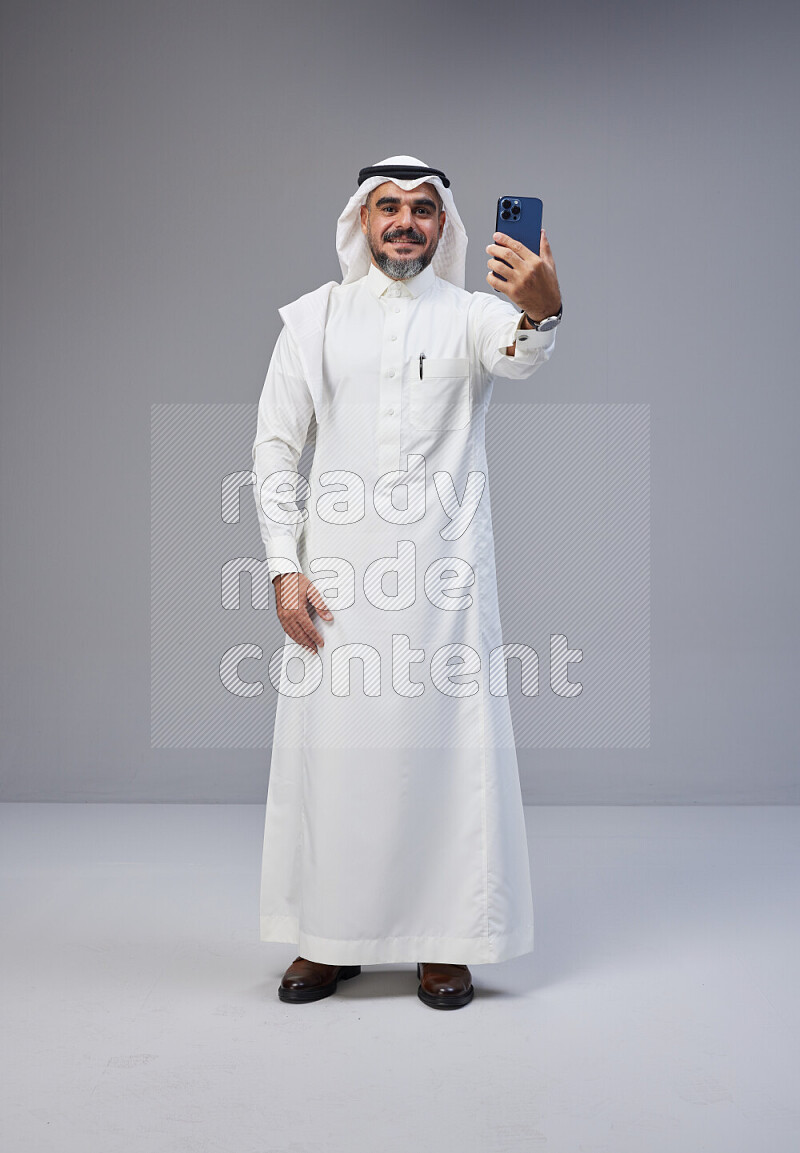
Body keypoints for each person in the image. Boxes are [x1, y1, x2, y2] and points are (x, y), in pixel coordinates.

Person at [251, 154, 562, 1009]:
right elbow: (276, 446)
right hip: (338, 589)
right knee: (338, 765)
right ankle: (329, 938)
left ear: (444, 226)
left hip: (444, 593)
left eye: (423, 210)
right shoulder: (313, 320)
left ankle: (443, 944)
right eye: (388, 207)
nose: (404, 223)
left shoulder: (470, 316)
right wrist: (284, 566)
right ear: (360, 220)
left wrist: (544, 307)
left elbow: (523, 353)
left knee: (443, 759)